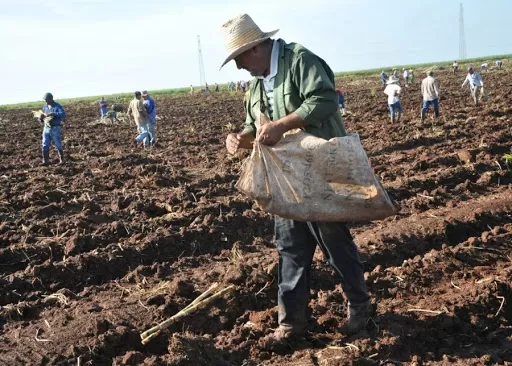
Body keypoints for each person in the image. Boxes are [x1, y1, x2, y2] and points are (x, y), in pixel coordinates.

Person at [220, 14, 372, 346]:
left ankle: (360, 307)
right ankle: (291, 323)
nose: (239, 67)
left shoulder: (300, 60)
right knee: (289, 247)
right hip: (285, 178)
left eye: (240, 58)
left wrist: (283, 124)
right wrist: (239, 138)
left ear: (256, 48)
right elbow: (253, 126)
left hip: (319, 169)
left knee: (333, 240)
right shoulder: (257, 84)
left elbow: (325, 99)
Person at [39, 92, 66, 165]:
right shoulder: (45, 107)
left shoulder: (57, 106)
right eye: (45, 99)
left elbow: (63, 114)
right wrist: (41, 118)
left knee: (57, 144)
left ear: (51, 99)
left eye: (46, 99)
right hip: (46, 128)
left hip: (55, 128)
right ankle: (45, 161)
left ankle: (62, 160)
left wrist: (53, 114)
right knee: (45, 144)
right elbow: (42, 119)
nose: (45, 101)